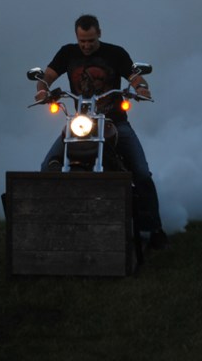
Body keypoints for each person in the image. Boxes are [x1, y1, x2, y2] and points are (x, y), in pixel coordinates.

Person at [34, 14, 168, 249]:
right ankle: (53, 227)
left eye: (91, 40)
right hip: (81, 121)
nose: (86, 45)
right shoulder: (67, 53)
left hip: (115, 122)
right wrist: (42, 89)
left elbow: (134, 76)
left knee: (142, 173)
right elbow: (47, 76)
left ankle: (154, 230)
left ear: (99, 34)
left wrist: (141, 88)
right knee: (47, 167)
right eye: (82, 41)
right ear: (77, 37)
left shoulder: (115, 53)